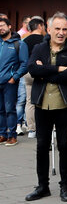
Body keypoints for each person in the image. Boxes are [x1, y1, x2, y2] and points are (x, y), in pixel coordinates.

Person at [25, 13, 67, 202]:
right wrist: (58, 68)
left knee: (65, 145)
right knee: (42, 146)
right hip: (42, 103)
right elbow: (32, 70)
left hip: (64, 104)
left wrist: (45, 70)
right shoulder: (38, 48)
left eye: (64, 29)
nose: (61, 32)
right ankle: (43, 186)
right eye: (57, 28)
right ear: (48, 29)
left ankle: (65, 186)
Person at [0, 16, 29, 145]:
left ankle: (12, 136)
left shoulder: (19, 44)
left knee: (10, 109)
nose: (1, 29)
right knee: (0, 110)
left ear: (9, 27)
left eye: (3, 26)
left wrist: (14, 78)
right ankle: (2, 134)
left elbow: (25, 64)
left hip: (9, 82)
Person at [20, 17, 46, 138]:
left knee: (30, 101)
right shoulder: (45, 40)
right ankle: (47, 127)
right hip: (42, 71)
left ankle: (32, 129)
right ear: (40, 26)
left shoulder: (25, 41)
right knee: (45, 98)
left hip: (28, 73)